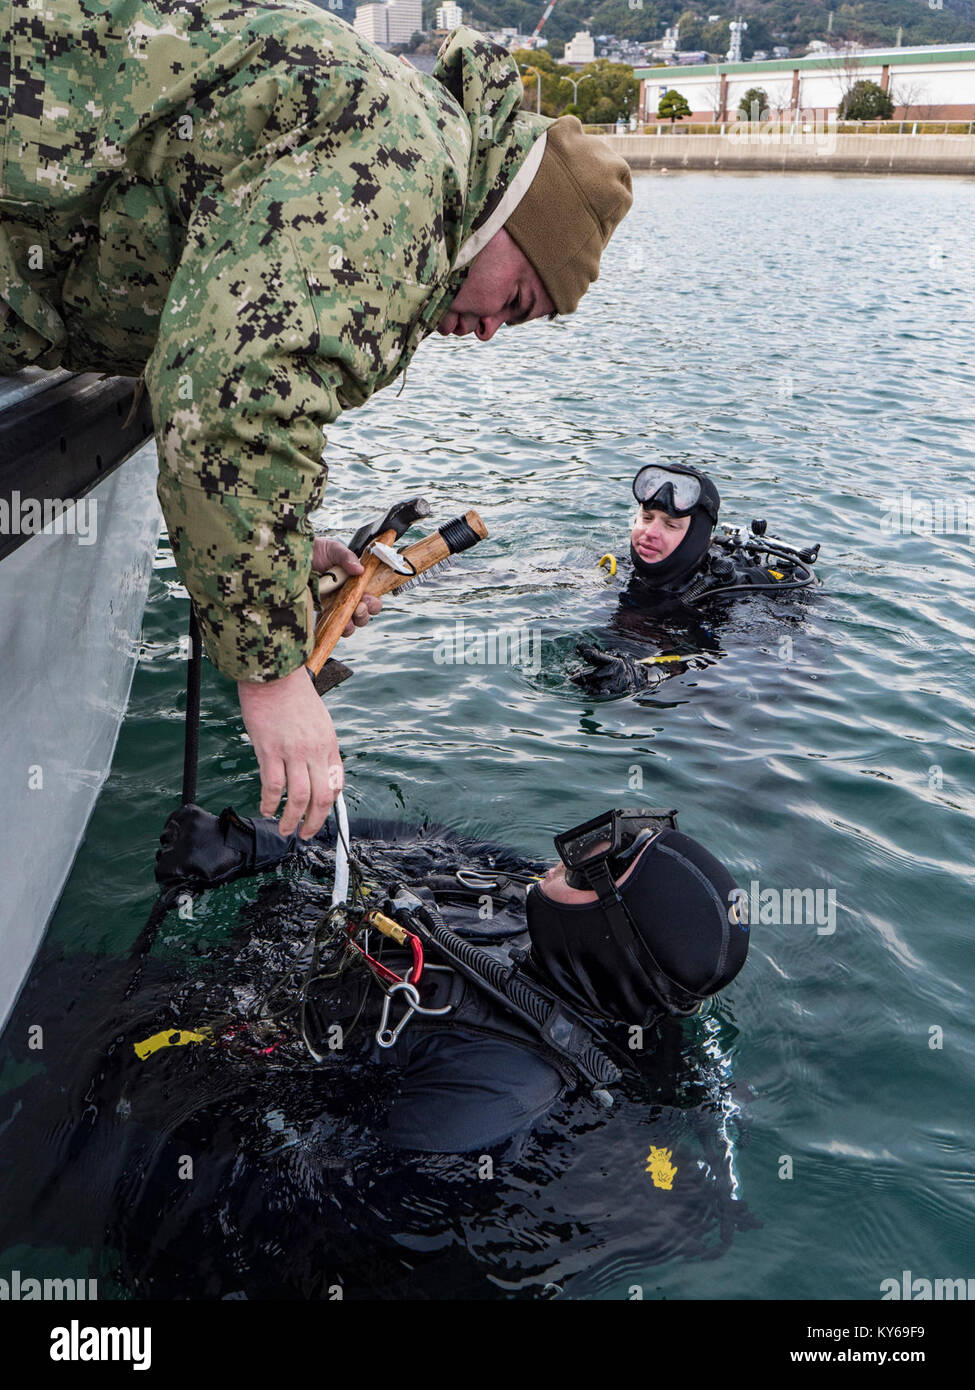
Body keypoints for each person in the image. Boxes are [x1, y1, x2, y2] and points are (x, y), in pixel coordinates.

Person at [0, 6, 633, 839]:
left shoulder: (397, 135)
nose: (485, 333)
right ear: (509, 211)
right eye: (514, 303)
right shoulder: (407, 177)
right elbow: (232, 398)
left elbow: (226, 340)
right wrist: (271, 681)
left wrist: (284, 553)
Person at [576, 463, 820, 694]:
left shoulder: (731, 599)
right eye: (647, 518)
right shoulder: (617, 568)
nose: (649, 533)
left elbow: (776, 678)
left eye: (671, 525)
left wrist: (645, 676)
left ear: (697, 537)